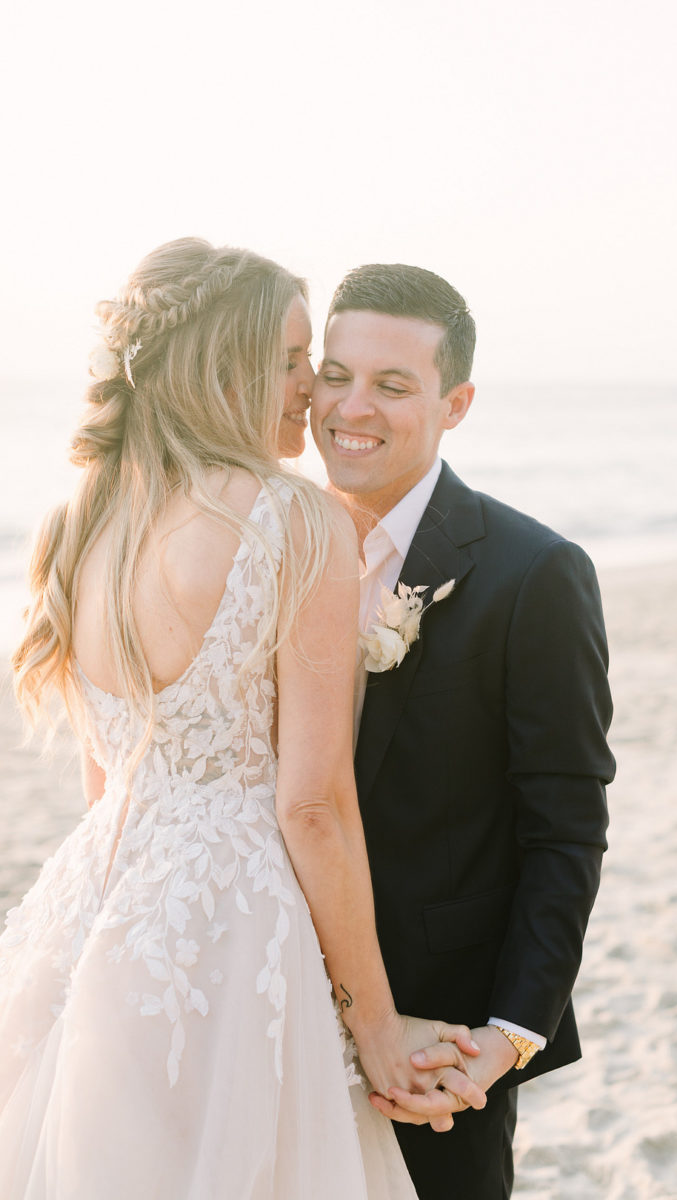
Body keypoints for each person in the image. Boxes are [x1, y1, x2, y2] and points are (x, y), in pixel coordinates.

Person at [0, 239, 485, 1199]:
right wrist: (376, 1026)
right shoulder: (293, 519)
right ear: (226, 367)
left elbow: (108, 771)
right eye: (293, 359)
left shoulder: (81, 520)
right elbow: (311, 805)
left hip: (99, 910)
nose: (313, 388)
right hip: (225, 925)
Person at [311, 263, 616, 1200]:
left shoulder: (535, 574)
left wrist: (508, 1035)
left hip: (435, 1032)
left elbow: (564, 826)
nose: (350, 407)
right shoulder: (265, 545)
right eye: (334, 374)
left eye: (392, 385)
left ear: (457, 404)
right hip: (264, 994)